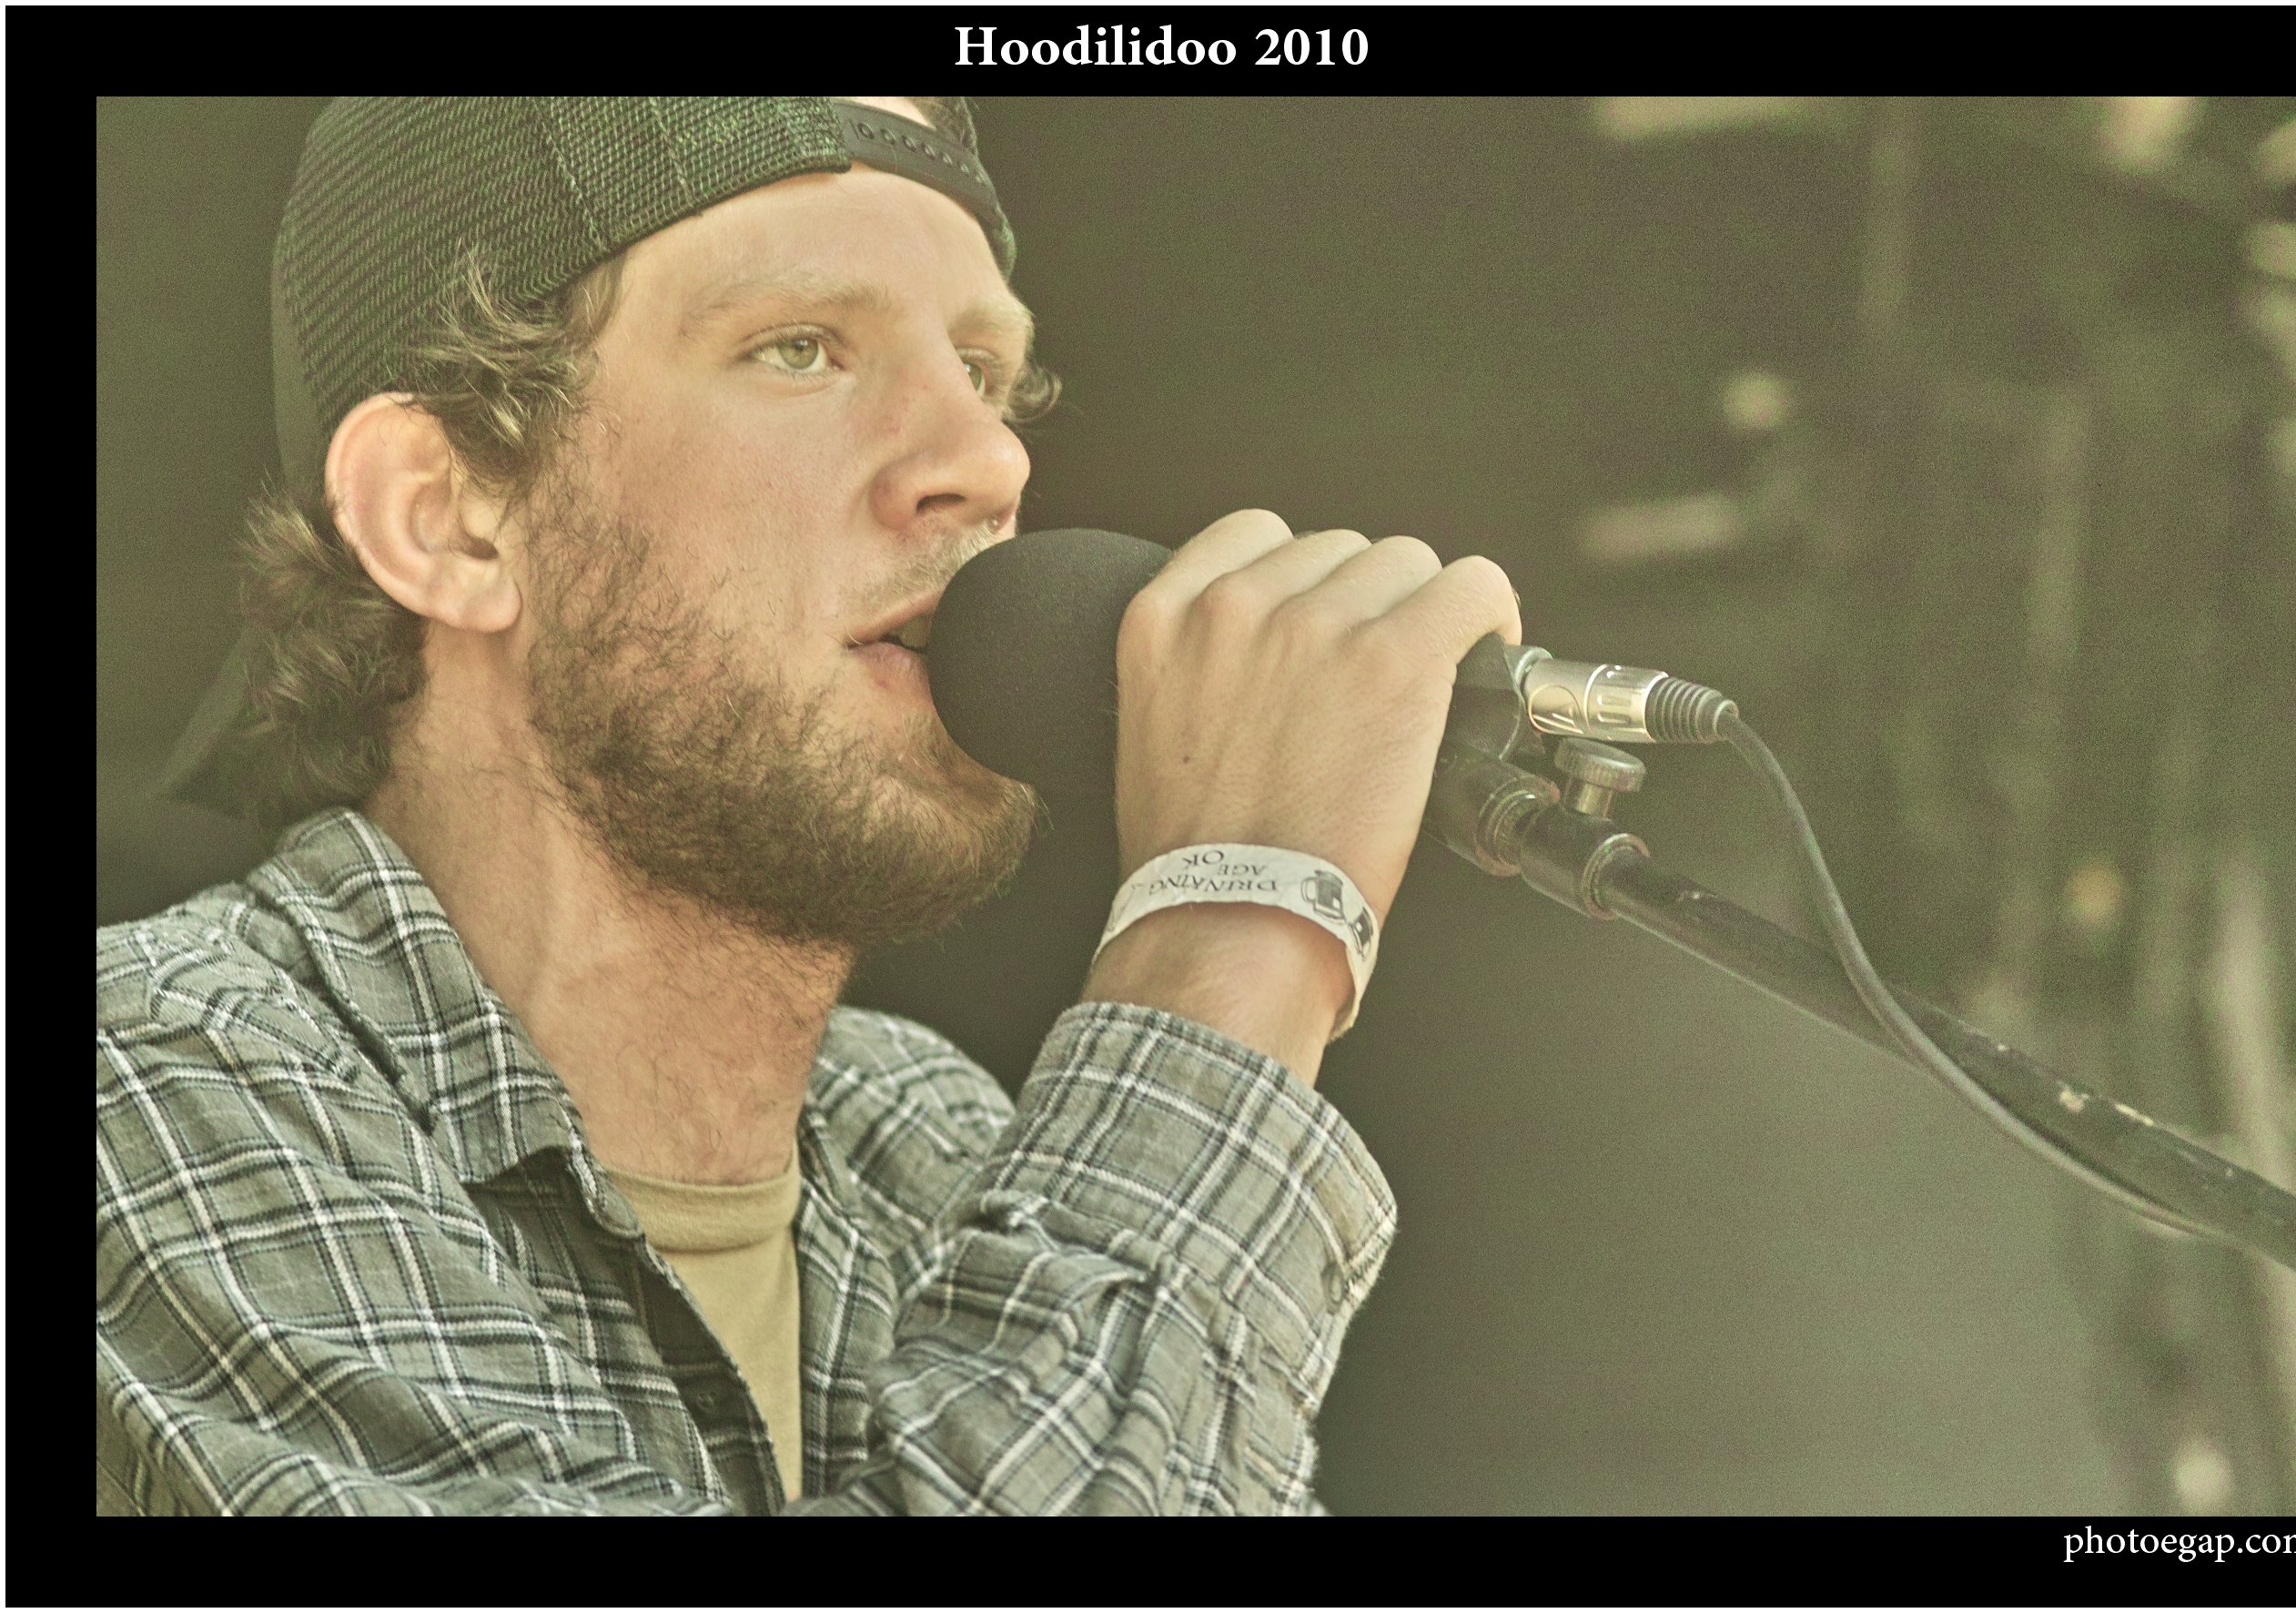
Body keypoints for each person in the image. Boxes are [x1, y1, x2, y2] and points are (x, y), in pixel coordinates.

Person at [96, 96, 1521, 1517]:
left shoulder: (933, 1142)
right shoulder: (144, 1086)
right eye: (800, 348)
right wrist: (1236, 929)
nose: (992, 463)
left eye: (986, 371)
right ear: (447, 517)